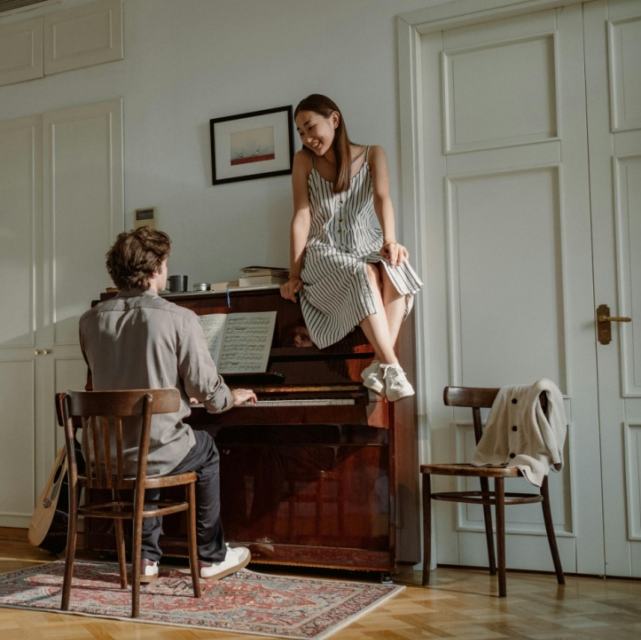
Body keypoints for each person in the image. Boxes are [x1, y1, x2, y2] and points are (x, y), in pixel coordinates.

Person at [78, 226, 256, 582]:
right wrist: (228, 397)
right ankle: (210, 556)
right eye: (165, 263)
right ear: (157, 267)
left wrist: (171, 394)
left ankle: (144, 559)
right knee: (202, 447)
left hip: (102, 455)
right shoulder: (179, 317)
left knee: (148, 438)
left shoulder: (89, 320)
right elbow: (208, 390)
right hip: (153, 450)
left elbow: (110, 381)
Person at [279, 94, 422, 401]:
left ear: (334, 119)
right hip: (323, 250)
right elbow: (302, 216)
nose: (306, 137)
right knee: (364, 273)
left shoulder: (373, 154)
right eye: (300, 132)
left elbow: (383, 198)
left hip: (365, 243)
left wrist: (390, 241)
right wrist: (294, 274)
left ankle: (376, 366)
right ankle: (392, 366)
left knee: (395, 266)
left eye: (310, 127)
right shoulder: (303, 160)